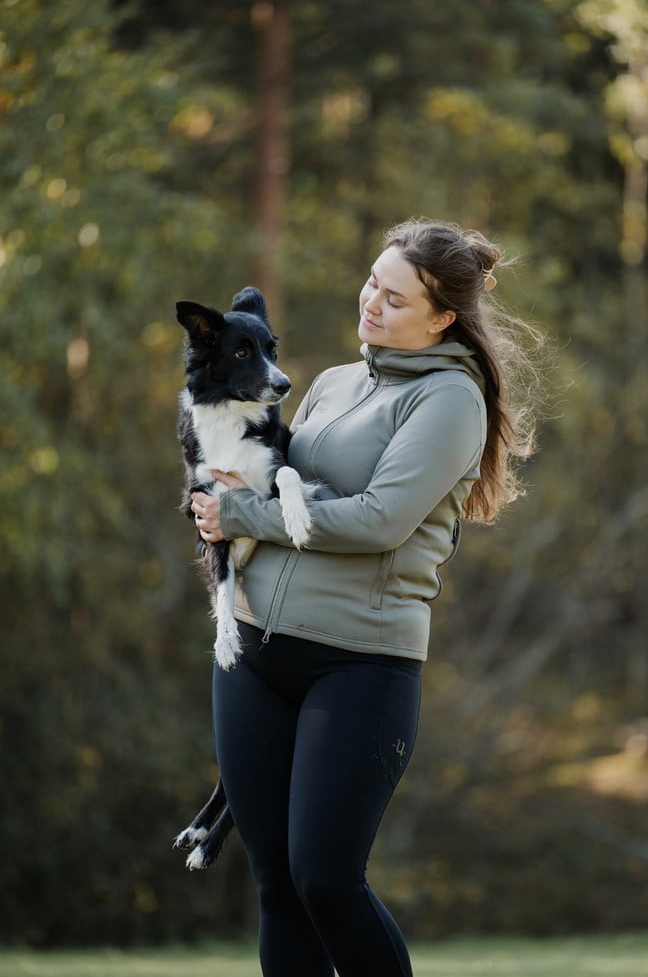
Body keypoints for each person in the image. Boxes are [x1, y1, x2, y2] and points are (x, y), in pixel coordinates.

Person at [190, 219, 539, 977]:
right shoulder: (332, 383)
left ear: (441, 318)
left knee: (325, 881)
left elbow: (380, 521)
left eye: (396, 297)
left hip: (357, 666)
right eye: (372, 283)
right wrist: (218, 482)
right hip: (253, 654)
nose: (372, 302)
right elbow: (273, 482)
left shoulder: (451, 400)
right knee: (277, 886)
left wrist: (244, 516)